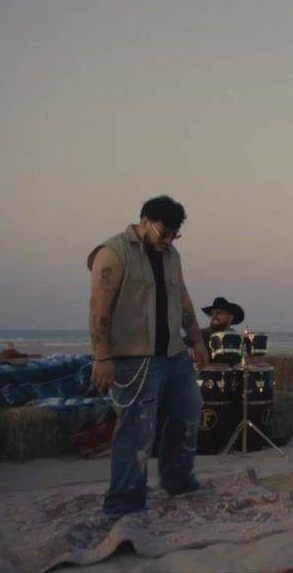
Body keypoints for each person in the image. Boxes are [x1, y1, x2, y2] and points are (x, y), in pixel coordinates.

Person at [90, 195, 211, 516]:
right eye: (164, 233)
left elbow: (182, 298)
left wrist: (197, 341)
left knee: (189, 411)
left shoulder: (171, 255)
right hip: (135, 359)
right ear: (144, 222)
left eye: (175, 235)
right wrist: (102, 358)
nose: (168, 240)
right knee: (136, 431)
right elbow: (99, 310)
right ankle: (124, 502)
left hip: (174, 354)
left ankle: (178, 482)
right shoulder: (112, 253)